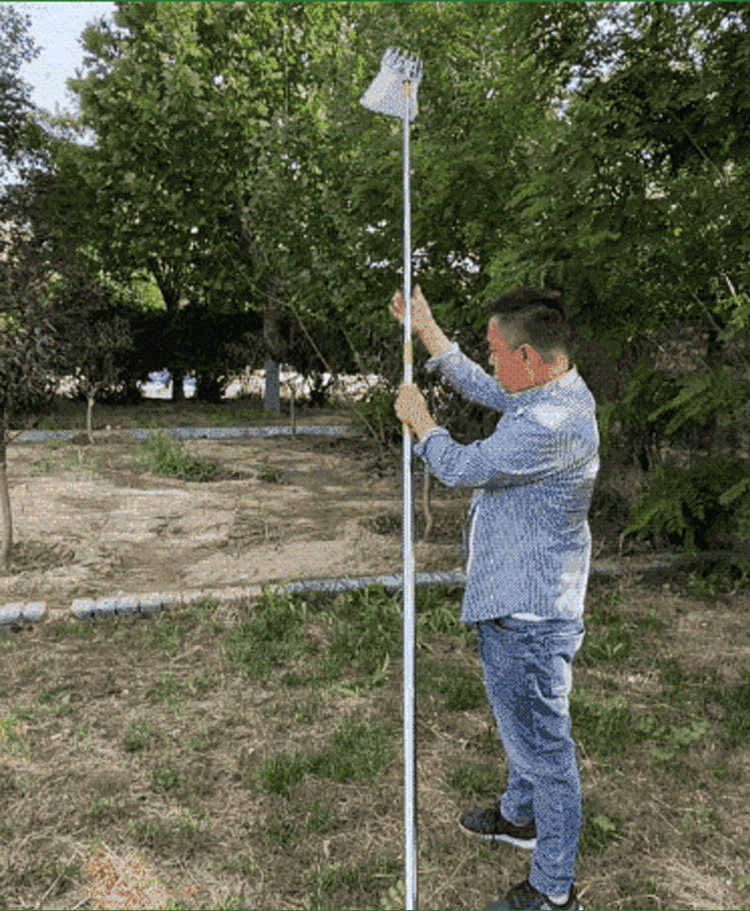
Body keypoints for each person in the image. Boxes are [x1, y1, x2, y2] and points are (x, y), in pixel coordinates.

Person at [390, 285, 599, 911]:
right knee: (524, 726)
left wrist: (422, 424)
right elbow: (489, 389)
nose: (492, 362)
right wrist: (427, 331)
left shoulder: (554, 421)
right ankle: (519, 817)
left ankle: (552, 889)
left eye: (495, 350)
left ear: (530, 357)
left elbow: (462, 466)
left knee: (545, 746)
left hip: (532, 616)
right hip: (519, 600)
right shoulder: (545, 391)